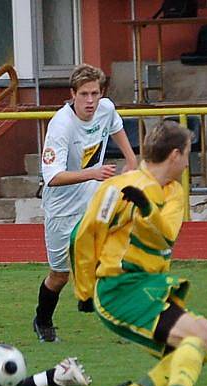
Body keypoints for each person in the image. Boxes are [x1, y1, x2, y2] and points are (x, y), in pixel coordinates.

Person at [69, 120, 207, 386]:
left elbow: (165, 236)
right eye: (188, 153)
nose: (187, 161)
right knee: (198, 338)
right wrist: (84, 292)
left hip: (150, 286)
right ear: (175, 155)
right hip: (120, 289)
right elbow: (84, 237)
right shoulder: (116, 190)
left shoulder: (174, 192)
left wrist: (147, 212)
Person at [34, 63, 137, 342]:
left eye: (95, 93)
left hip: (93, 200)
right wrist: (92, 173)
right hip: (61, 211)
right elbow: (53, 177)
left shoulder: (105, 108)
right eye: (84, 95)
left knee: (113, 255)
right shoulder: (61, 126)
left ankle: (115, 314)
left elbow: (116, 125)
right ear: (72, 95)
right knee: (59, 275)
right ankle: (42, 320)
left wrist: (131, 159)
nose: (90, 101)